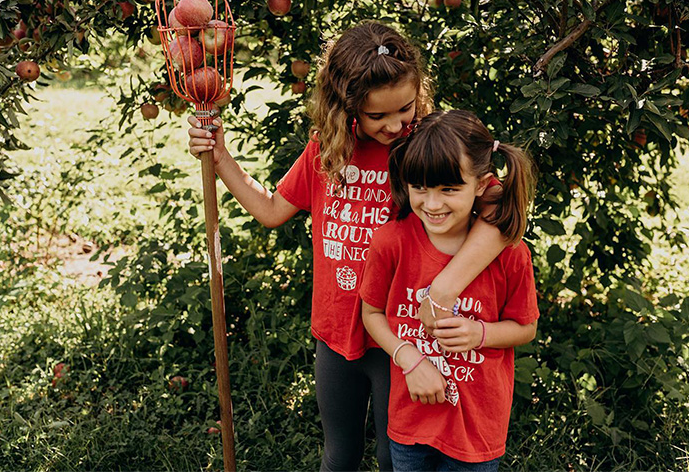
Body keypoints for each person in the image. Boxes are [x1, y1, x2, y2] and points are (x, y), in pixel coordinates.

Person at [186, 23, 507, 471]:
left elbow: (502, 212)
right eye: (379, 116)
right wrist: (219, 156)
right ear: (348, 107)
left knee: (392, 455)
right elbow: (273, 209)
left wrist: (446, 288)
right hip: (336, 330)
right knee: (340, 454)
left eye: (406, 109)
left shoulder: (426, 147)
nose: (396, 124)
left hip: (402, 332)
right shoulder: (328, 152)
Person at [360, 110, 539, 472]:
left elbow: (525, 327)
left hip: (475, 430)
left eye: (449, 189)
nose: (432, 204)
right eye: (420, 188)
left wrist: (481, 333)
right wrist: (407, 357)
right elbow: (371, 313)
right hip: (410, 423)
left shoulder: (509, 254)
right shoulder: (391, 241)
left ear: (482, 184)